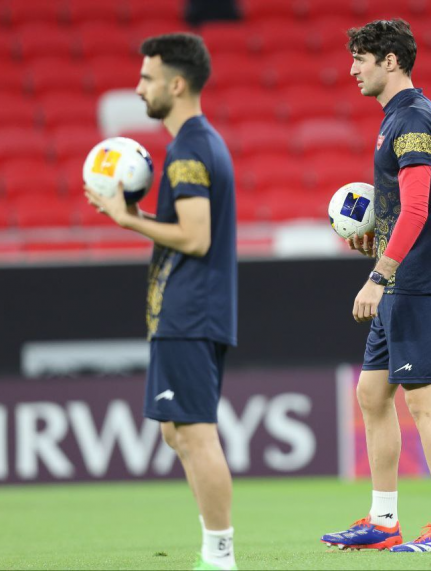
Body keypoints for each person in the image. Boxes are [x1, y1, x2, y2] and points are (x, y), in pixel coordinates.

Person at [84, 33, 238, 571]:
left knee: (194, 433)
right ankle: (214, 548)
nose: (138, 87)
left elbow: (195, 237)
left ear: (176, 84)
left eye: (147, 78)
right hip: (191, 309)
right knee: (177, 431)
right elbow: (189, 229)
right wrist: (137, 216)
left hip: (191, 310)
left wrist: (127, 220)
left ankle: (219, 556)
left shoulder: (189, 149)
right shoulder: (200, 142)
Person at [320, 19, 431, 553]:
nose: (352, 69)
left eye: (360, 59)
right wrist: (380, 245)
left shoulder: (412, 120)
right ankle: (384, 521)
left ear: (390, 61)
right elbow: (403, 211)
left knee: (424, 401)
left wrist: (378, 275)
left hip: (417, 284)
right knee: (370, 394)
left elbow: (417, 207)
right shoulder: (397, 118)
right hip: (401, 282)